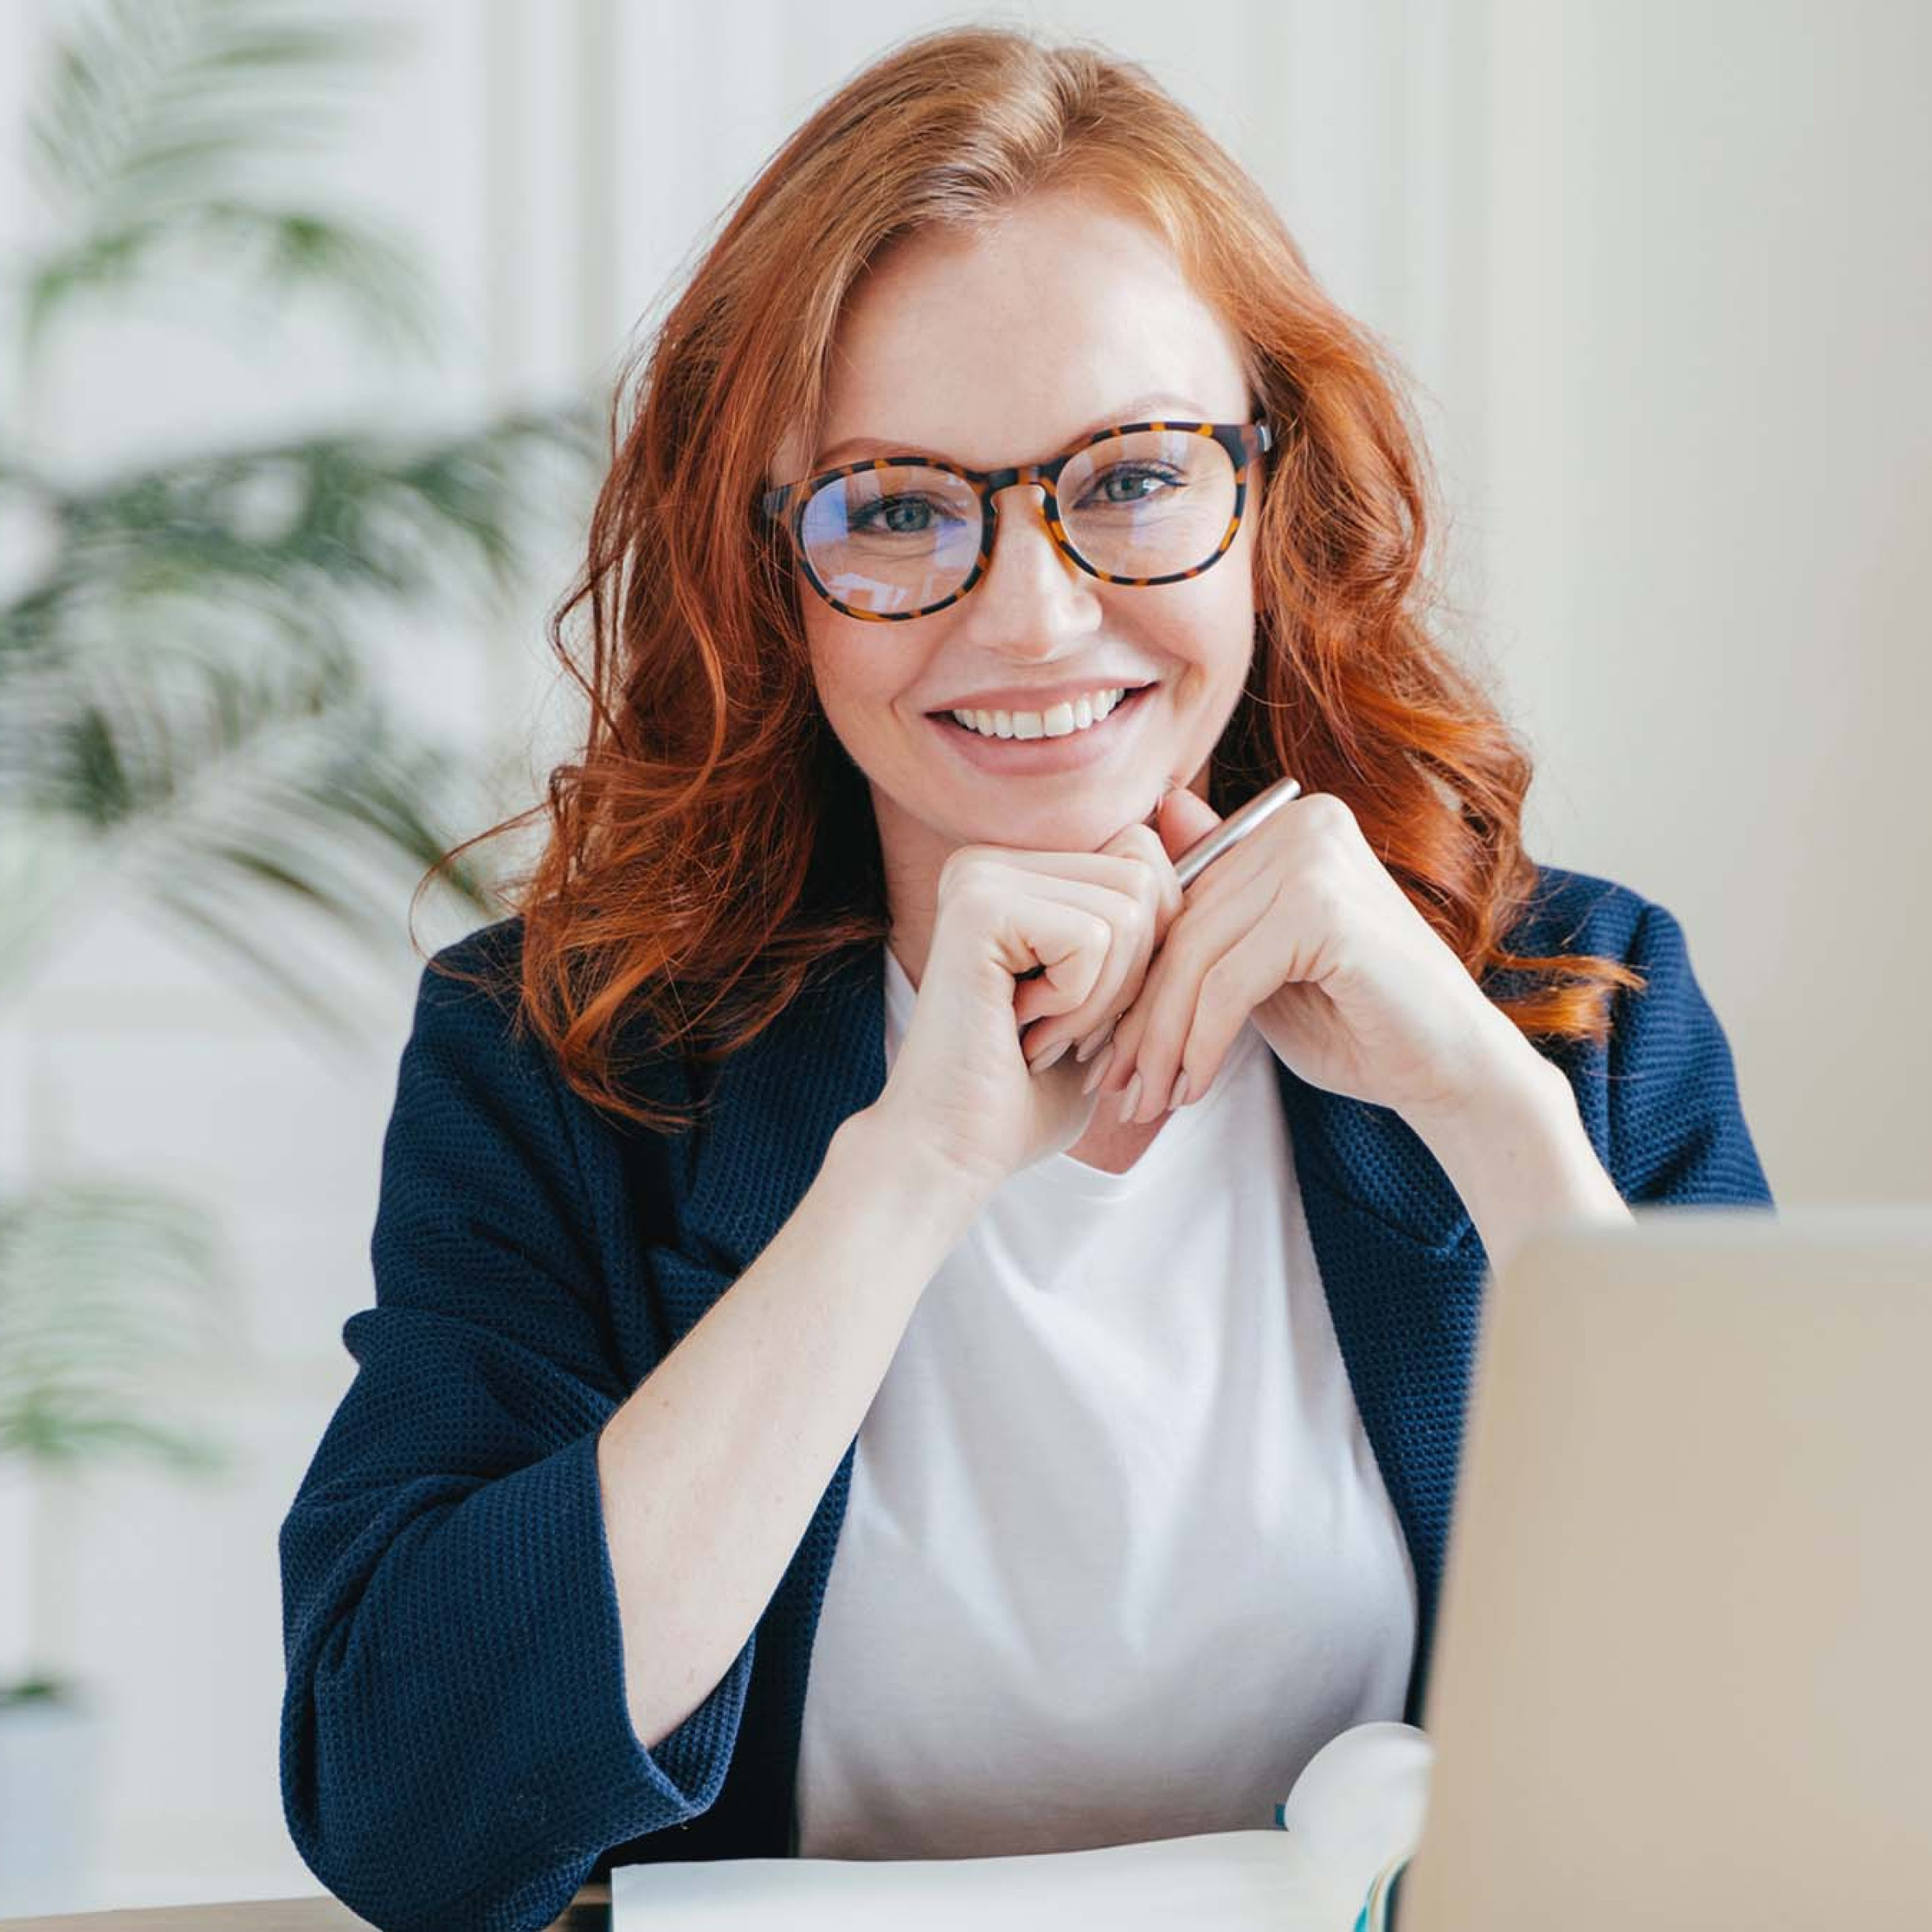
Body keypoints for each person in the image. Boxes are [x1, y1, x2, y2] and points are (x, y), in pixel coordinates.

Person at [277, 23, 1774, 1930]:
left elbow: (1800, 1729)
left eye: (1135, 478)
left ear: (1272, 487)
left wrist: (1489, 1108)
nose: (1036, 611)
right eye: (898, 506)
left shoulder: (1577, 999)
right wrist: (905, 1178)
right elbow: (413, 1816)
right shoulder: (557, 1057)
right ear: (770, 572)